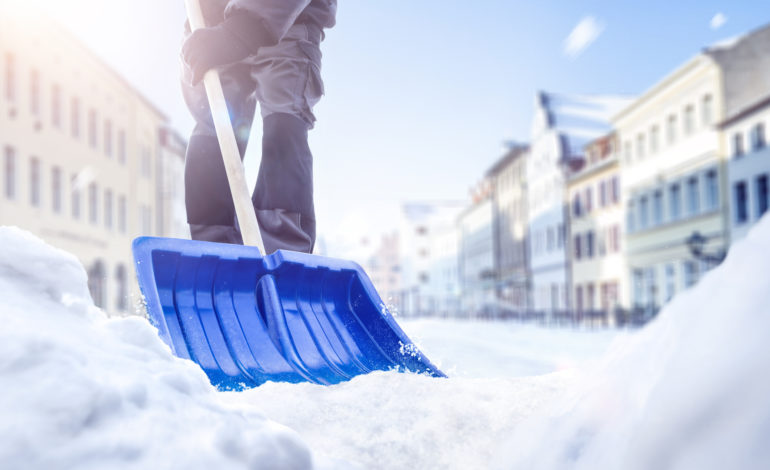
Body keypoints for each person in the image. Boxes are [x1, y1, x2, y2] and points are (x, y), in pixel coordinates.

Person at [180, 0, 337, 254]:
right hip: (210, 20)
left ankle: (282, 251)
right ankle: (213, 250)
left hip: (288, 18)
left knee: (283, 119)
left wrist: (241, 30)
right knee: (214, 126)